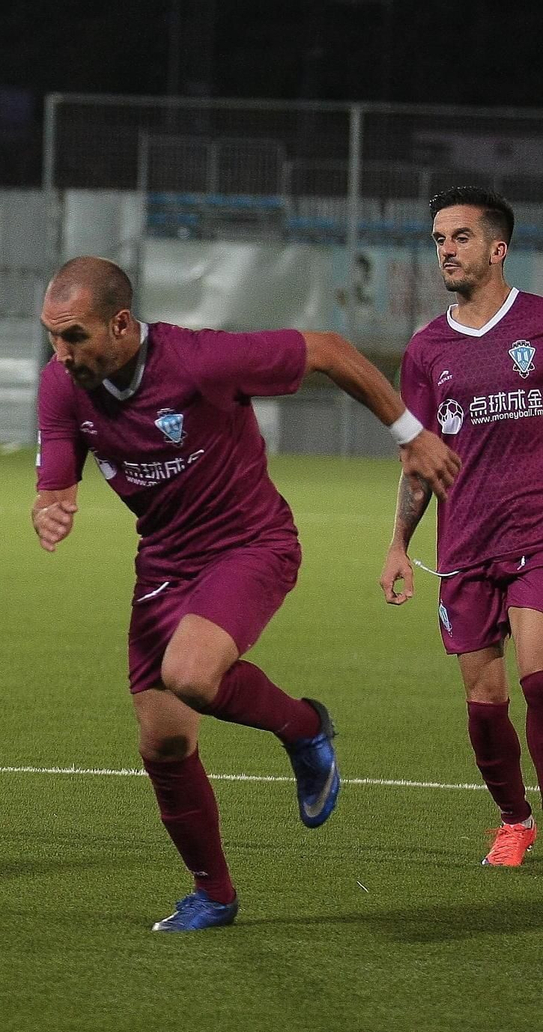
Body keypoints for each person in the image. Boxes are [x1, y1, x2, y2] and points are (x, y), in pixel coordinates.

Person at [34, 256, 459, 931]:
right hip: (165, 565)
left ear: (120, 323)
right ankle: (215, 894)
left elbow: (327, 349)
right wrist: (50, 505)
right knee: (163, 745)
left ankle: (305, 728)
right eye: (53, 336)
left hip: (250, 545)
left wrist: (408, 435)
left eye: (75, 336)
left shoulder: (201, 362)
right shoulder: (63, 387)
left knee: (191, 675)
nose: (61, 353)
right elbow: (57, 472)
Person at [381, 186, 543, 867]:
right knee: (485, 703)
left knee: (540, 682)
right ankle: (514, 820)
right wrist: (397, 544)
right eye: (439, 240)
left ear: (498, 248)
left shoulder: (538, 323)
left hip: (537, 537)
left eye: (460, 237)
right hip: (465, 547)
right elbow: (418, 463)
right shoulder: (426, 351)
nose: (446, 250)